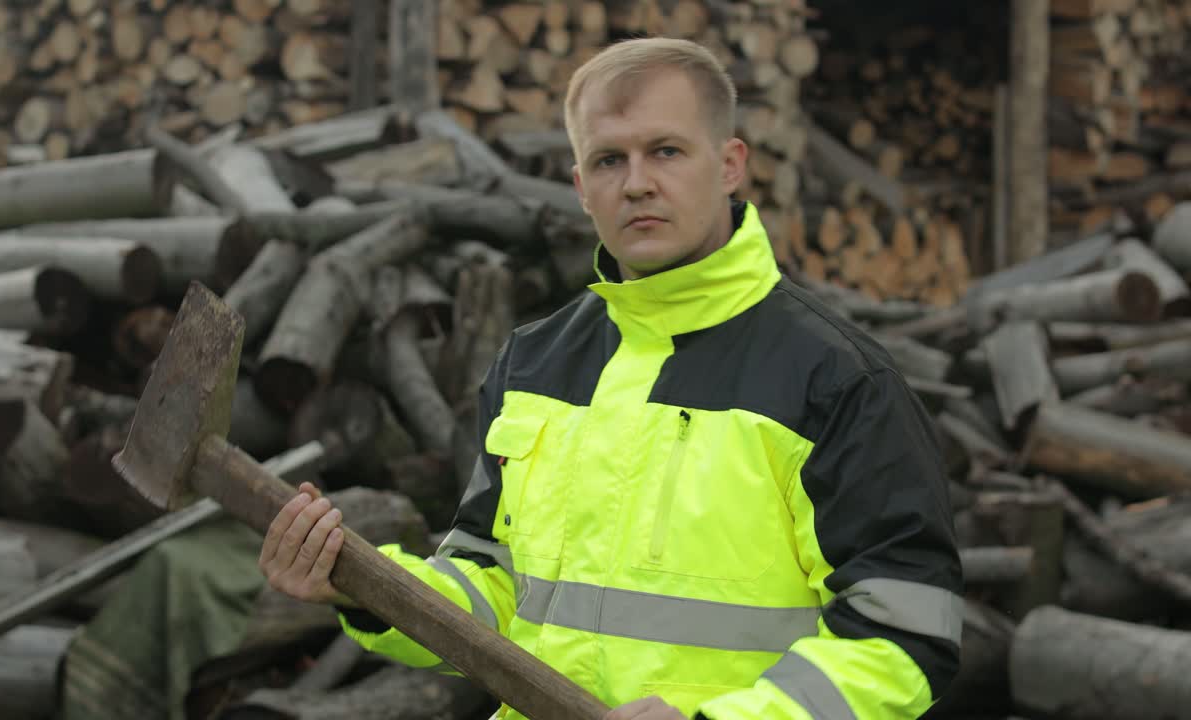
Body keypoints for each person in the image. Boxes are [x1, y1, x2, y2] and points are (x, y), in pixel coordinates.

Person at [259, 37, 963, 720]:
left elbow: (903, 639)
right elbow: (491, 588)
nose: (636, 183)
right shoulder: (534, 363)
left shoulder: (836, 380)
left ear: (729, 165)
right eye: (608, 160)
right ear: (580, 188)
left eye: (666, 151)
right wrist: (360, 585)